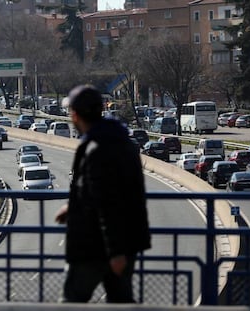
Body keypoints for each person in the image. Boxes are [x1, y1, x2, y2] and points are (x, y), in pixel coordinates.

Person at [55, 84, 151, 303]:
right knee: (120, 301)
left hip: (95, 246)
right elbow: (108, 192)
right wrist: (74, 207)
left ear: (76, 115)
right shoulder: (123, 142)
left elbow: (108, 202)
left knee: (72, 302)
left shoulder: (95, 149)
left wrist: (115, 252)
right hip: (125, 242)